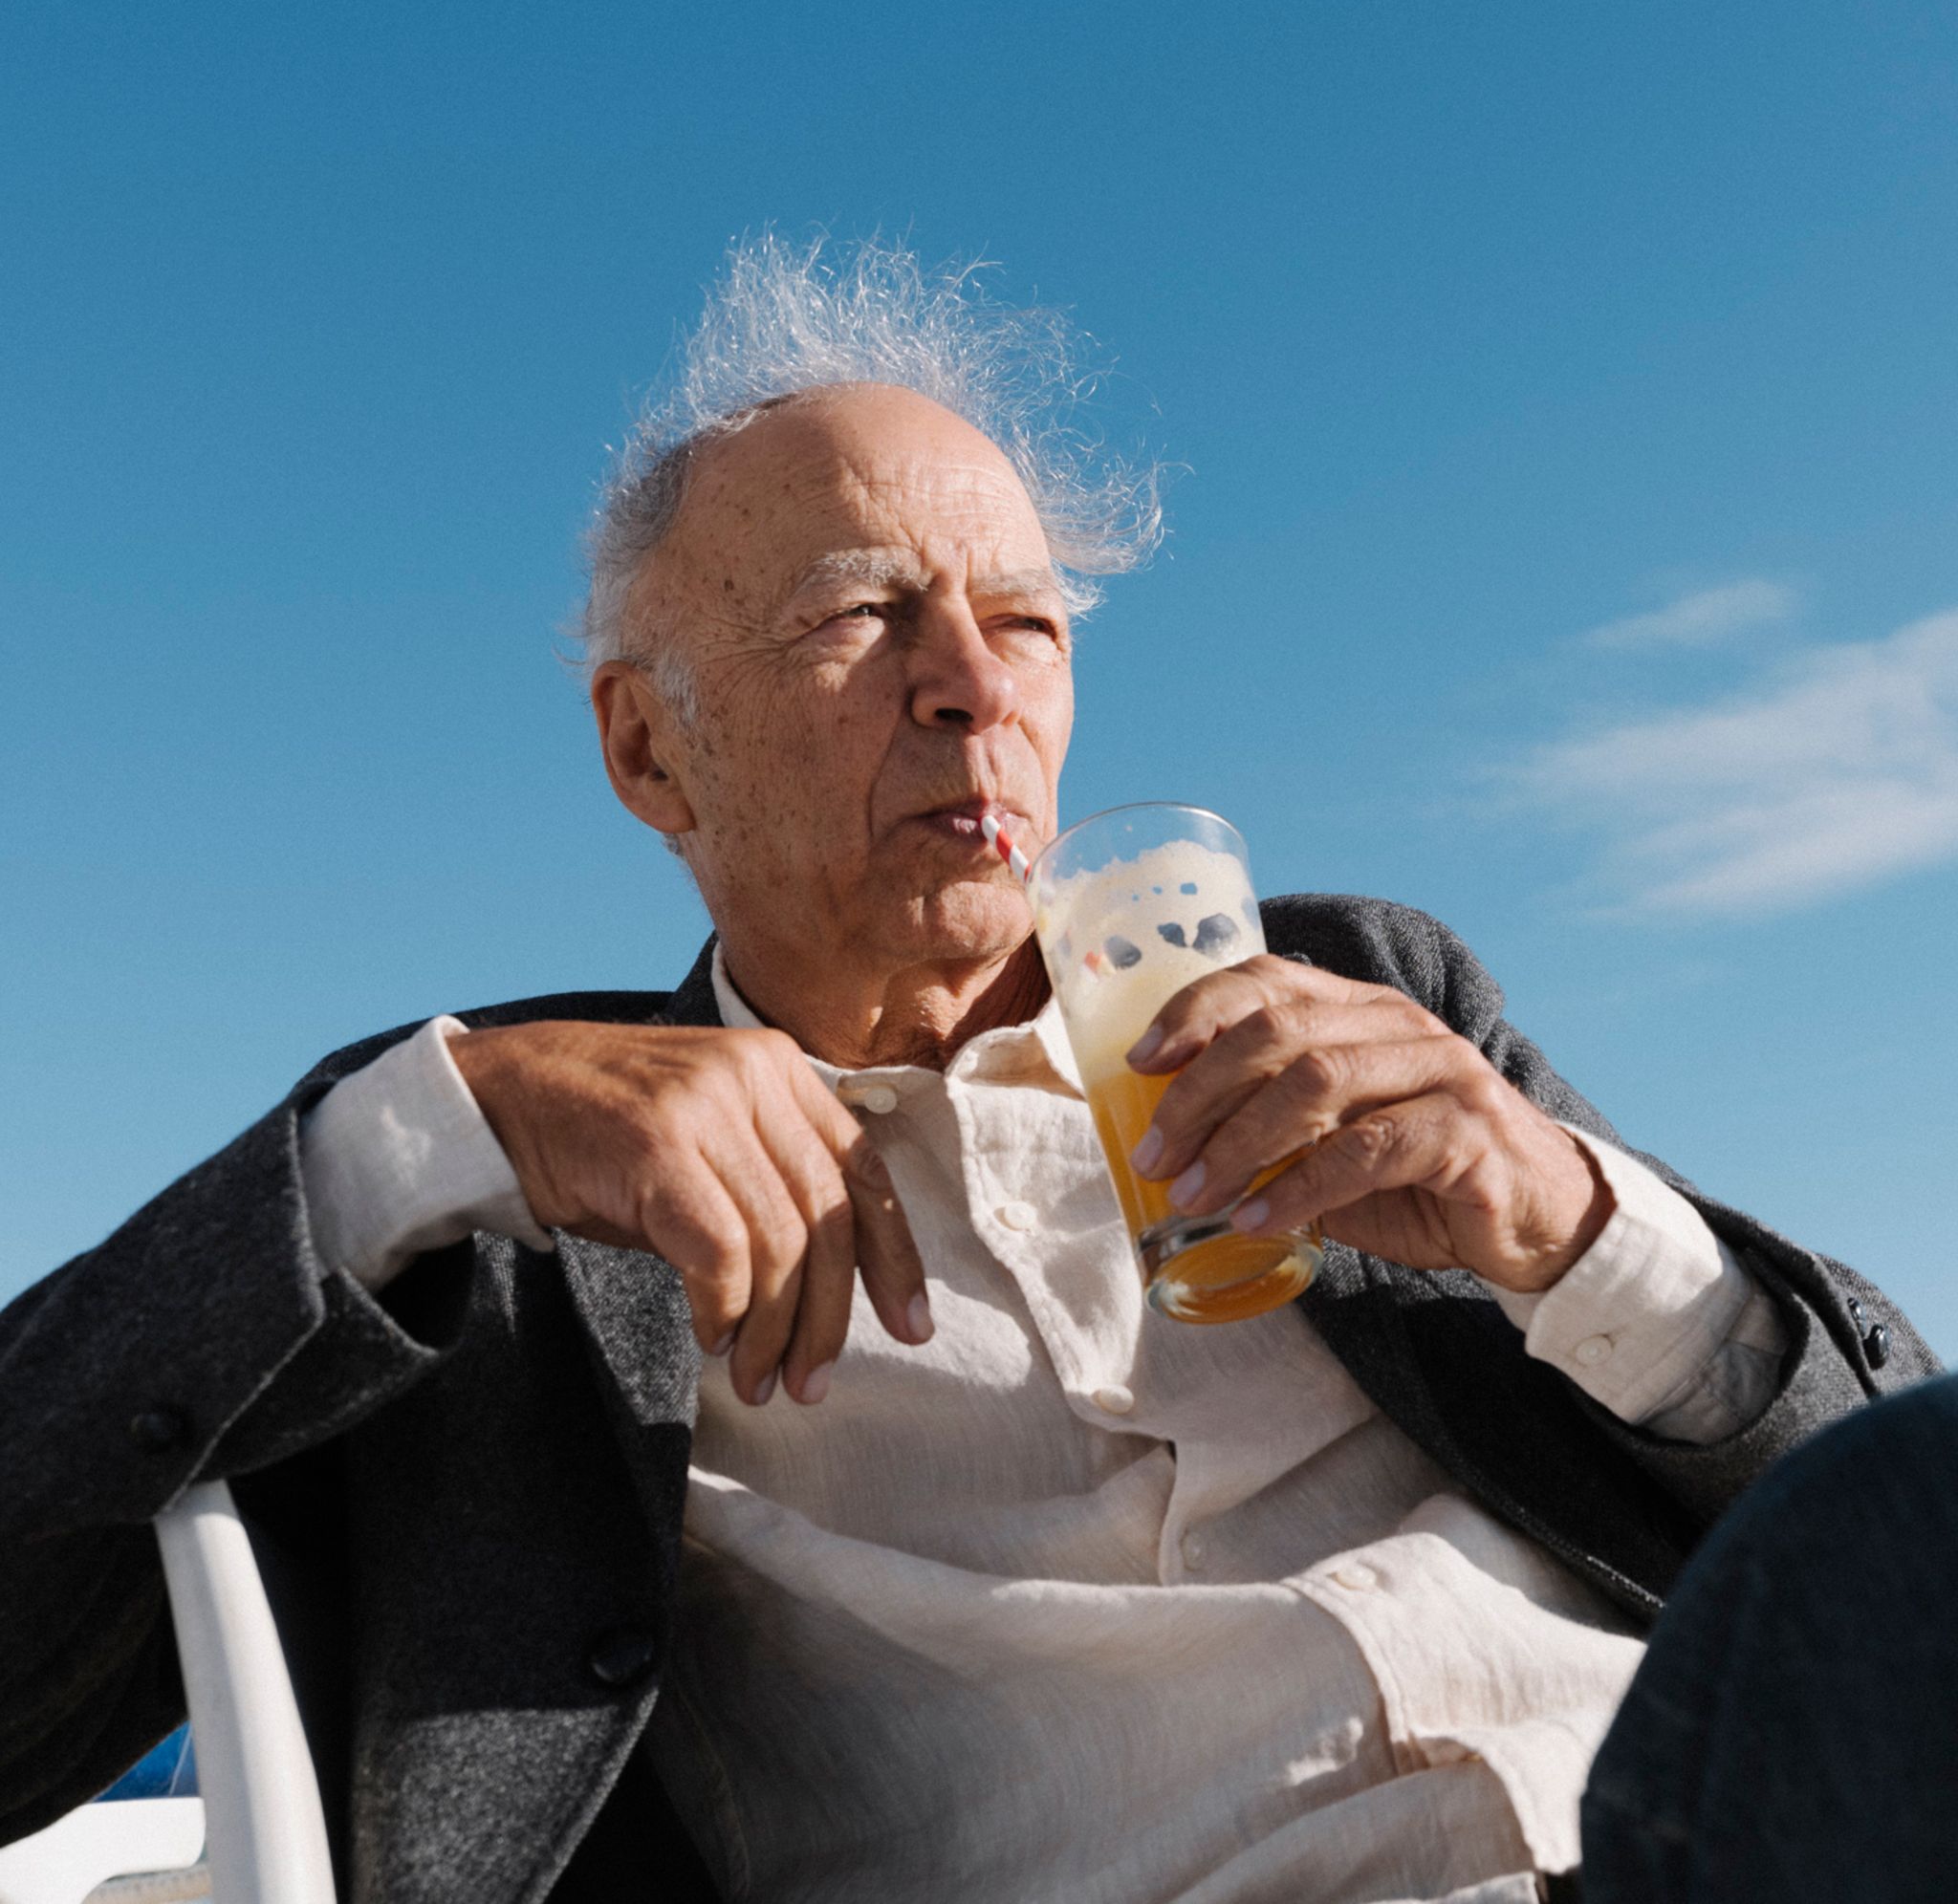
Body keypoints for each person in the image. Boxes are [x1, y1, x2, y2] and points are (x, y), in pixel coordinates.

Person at [0, 238, 1936, 1904]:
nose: (975, 684)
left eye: (1025, 621)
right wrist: (417, 1138)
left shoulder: (1358, 989)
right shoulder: (506, 1192)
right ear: (649, 751)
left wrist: (1580, 1227)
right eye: (861, 613)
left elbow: (1883, 1507)